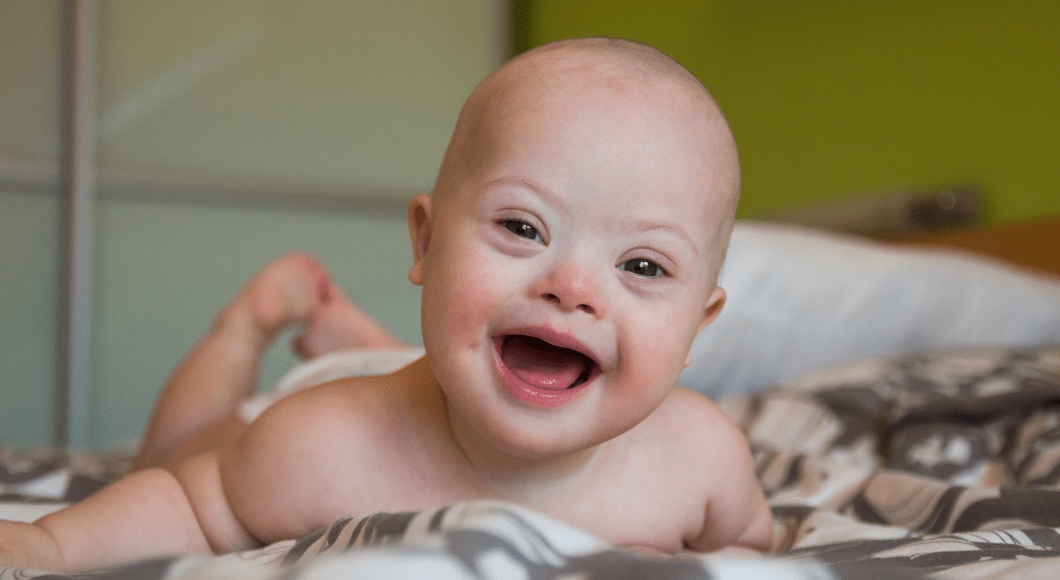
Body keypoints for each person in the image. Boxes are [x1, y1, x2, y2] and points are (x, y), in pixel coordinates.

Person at [0, 37, 772, 573]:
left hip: (433, 363)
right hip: (360, 399)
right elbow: (185, 503)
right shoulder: (319, 447)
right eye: (521, 226)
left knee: (433, 353)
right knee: (175, 453)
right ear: (427, 243)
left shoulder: (702, 463)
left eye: (641, 264)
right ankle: (249, 327)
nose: (571, 287)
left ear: (698, 326)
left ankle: (348, 336)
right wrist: (51, 550)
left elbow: (750, 547)